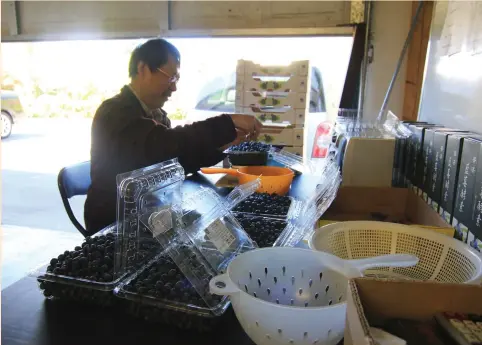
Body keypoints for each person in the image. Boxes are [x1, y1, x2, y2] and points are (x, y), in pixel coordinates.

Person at [84, 38, 262, 234]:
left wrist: (219, 147)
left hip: (148, 212)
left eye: (176, 80)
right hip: (115, 222)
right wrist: (226, 123)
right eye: (170, 78)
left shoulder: (156, 116)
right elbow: (162, 147)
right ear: (143, 69)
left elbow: (175, 162)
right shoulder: (114, 113)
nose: (174, 88)